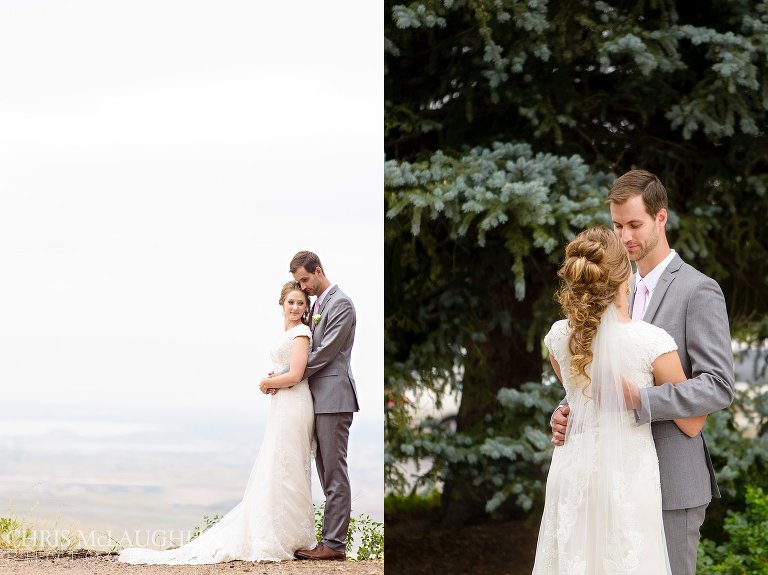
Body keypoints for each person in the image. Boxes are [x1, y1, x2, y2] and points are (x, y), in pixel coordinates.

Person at [550, 170, 735, 575]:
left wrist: (641, 400)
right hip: (611, 482)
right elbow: (594, 368)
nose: (625, 236)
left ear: (661, 218)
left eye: (635, 224)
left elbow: (719, 386)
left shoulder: (697, 290)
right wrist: (566, 409)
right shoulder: (609, 287)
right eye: (617, 226)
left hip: (670, 479)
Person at [533, 227, 705, 574]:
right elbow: (692, 421)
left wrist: (565, 412)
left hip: (572, 473)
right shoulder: (651, 342)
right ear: (624, 273)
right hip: (628, 475)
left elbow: (574, 397)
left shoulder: (558, 337)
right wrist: (641, 399)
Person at [118, 281, 317, 564]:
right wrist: (277, 375)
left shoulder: (301, 332)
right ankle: (276, 530)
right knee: (276, 464)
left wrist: (267, 382)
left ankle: (288, 535)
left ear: (306, 307)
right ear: (281, 304)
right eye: (291, 302)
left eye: (301, 303)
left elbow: (297, 375)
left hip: (295, 403)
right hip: (284, 403)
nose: (296, 307)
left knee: (288, 465)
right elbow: (290, 370)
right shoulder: (288, 332)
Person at [287, 250, 359, 561]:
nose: (301, 287)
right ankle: (329, 541)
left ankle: (334, 545)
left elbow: (327, 352)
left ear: (318, 271)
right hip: (319, 399)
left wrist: (291, 375)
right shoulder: (318, 305)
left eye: (304, 279)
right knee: (325, 471)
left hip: (334, 399)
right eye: (297, 282)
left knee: (334, 474)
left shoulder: (341, 304)